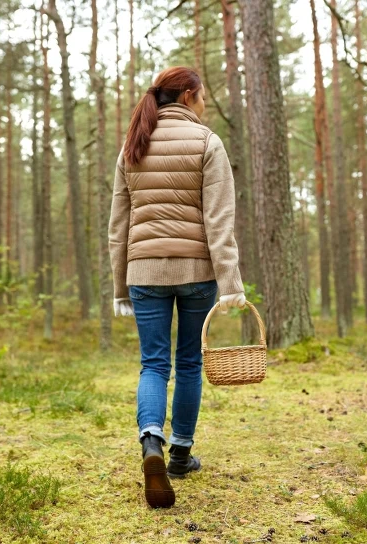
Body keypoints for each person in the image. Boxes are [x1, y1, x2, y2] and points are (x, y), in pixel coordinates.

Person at [108, 66, 247, 508]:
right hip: (196, 272)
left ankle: (152, 442)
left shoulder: (133, 145)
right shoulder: (207, 142)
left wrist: (119, 288)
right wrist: (231, 284)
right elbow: (219, 221)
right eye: (203, 95)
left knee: (153, 364)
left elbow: (119, 227)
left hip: (144, 271)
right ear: (188, 96)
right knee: (188, 363)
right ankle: (180, 454)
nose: (204, 103)